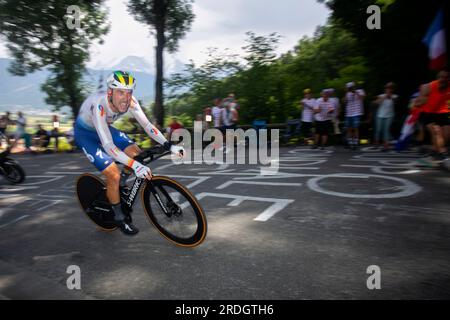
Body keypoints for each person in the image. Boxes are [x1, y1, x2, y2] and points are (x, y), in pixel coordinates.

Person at [74, 70, 184, 236]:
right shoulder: (99, 106)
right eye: (120, 92)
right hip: (86, 135)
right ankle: (119, 218)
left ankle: (123, 181)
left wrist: (168, 145)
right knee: (113, 175)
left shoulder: (131, 102)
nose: (125, 97)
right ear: (110, 92)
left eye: (129, 92)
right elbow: (109, 146)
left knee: (137, 154)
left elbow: (148, 126)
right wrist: (134, 166)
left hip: (105, 129)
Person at [414, 68, 450, 161]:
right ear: (437, 78)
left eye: (446, 77)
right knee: (436, 131)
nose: (443, 79)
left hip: (442, 112)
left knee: (447, 134)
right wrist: (421, 101)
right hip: (428, 112)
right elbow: (417, 103)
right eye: (441, 77)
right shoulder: (428, 87)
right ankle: (441, 153)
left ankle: (434, 151)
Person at [373, 82, 398, 151]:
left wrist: (389, 96)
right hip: (380, 115)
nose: (388, 89)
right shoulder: (381, 96)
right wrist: (385, 96)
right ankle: (376, 143)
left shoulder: (395, 96)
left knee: (386, 130)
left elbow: (395, 101)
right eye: (387, 88)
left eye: (390, 88)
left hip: (389, 116)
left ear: (392, 89)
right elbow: (377, 103)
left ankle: (386, 145)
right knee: (378, 130)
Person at [343, 82, 365, 150]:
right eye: (348, 87)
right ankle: (350, 143)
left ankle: (355, 143)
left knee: (356, 128)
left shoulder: (360, 91)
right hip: (348, 113)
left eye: (350, 87)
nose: (350, 89)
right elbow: (344, 102)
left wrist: (355, 91)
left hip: (356, 113)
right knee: (349, 129)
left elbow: (362, 98)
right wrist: (347, 93)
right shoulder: (347, 93)